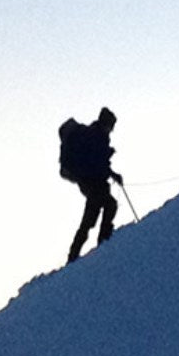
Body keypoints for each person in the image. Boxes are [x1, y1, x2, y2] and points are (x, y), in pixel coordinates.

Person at [58, 107, 120, 263]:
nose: (111, 130)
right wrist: (110, 165)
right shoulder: (97, 136)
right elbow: (97, 162)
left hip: (89, 182)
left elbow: (98, 162)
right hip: (92, 182)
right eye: (111, 126)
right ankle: (101, 242)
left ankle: (78, 252)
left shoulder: (94, 134)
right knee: (99, 211)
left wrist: (111, 172)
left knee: (97, 212)